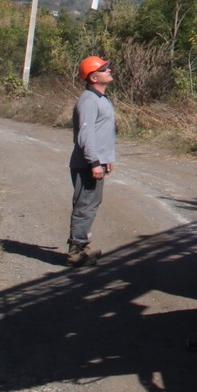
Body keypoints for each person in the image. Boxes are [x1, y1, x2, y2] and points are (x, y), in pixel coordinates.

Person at [68, 55, 116, 266]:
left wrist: (106, 159)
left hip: (95, 161)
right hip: (87, 164)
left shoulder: (100, 99)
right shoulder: (88, 101)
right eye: (105, 69)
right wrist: (94, 162)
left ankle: (82, 246)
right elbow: (86, 136)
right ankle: (76, 253)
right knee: (85, 205)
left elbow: (101, 133)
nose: (109, 71)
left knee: (90, 203)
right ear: (94, 77)